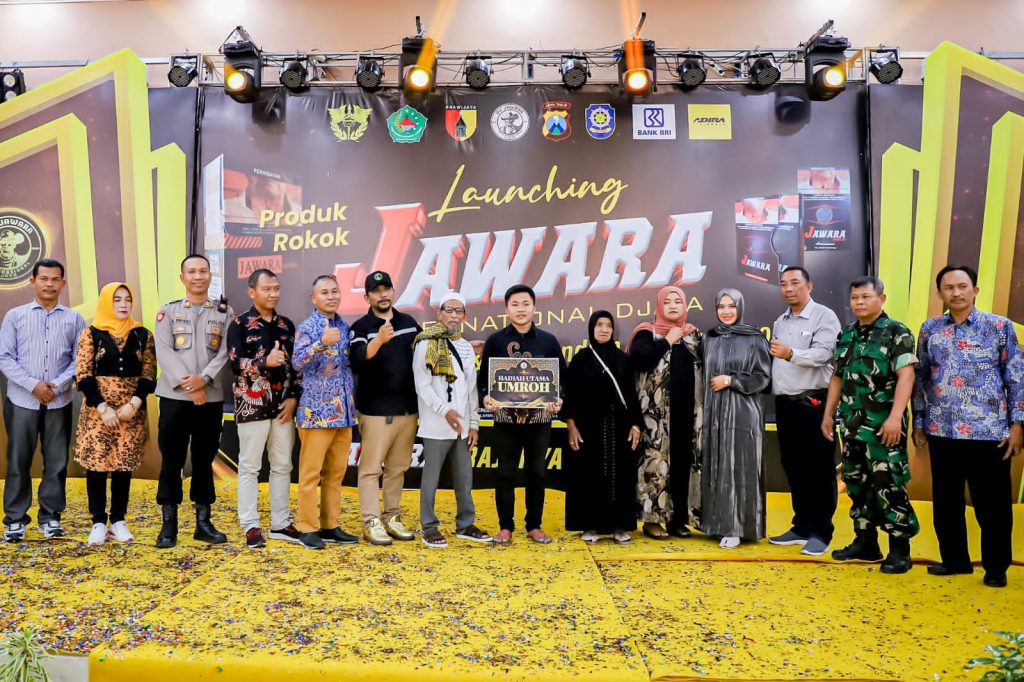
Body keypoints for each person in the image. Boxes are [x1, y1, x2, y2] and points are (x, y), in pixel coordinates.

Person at [912, 264, 1023, 589]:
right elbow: (920, 379)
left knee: (993, 505)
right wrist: (918, 421)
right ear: (940, 293)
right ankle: (955, 561)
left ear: (975, 290)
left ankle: (996, 567)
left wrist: (1018, 425)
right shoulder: (930, 329)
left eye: (962, 286)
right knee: (946, 502)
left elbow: (1017, 377)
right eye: (949, 287)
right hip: (942, 430)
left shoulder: (999, 327)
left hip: (989, 433)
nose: (956, 293)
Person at [822, 276, 919, 574]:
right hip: (852, 426)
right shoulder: (847, 334)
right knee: (856, 483)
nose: (860, 302)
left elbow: (906, 375)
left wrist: (895, 416)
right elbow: (837, 377)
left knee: (888, 485)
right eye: (855, 298)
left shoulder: (897, 332)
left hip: (883, 427)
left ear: (881, 299)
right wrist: (828, 414)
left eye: (866, 297)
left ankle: (900, 550)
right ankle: (866, 542)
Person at [0, 259, 85, 542]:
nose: (49, 284)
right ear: (33, 281)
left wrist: (56, 386)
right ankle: (15, 519)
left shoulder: (74, 319)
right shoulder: (15, 316)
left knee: (57, 463)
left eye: (55, 279)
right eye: (44, 278)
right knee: (18, 461)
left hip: (58, 402)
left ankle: (50, 518)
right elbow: (4, 357)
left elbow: (80, 360)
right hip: (21, 400)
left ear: (63, 283)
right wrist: (33, 385)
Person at [153, 254, 232, 548]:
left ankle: (203, 522)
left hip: (210, 399)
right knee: (171, 459)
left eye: (203, 271)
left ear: (210, 275)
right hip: (174, 398)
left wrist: (205, 380)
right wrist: (190, 386)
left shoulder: (224, 313)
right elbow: (163, 350)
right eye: (192, 272)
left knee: (203, 459)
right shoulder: (168, 312)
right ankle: (169, 523)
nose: (198, 276)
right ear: (182, 277)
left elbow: (225, 353)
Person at [478, 284, 567, 544]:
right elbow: (484, 380)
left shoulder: (548, 341)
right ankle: (505, 526)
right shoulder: (495, 341)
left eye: (525, 304)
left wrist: (559, 399)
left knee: (537, 473)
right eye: (515, 304)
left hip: (539, 420)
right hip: (505, 419)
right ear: (507, 309)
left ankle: (534, 525)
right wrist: (486, 398)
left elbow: (562, 379)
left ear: (534, 307)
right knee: (505, 473)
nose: (520, 309)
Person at [73, 283, 156, 546]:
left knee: (123, 465)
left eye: (127, 299)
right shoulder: (91, 333)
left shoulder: (143, 334)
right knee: (97, 465)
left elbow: (149, 374)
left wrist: (134, 403)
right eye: (116, 299)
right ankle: (98, 521)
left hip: (130, 411)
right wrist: (102, 408)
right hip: (98, 411)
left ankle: (118, 520)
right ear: (106, 303)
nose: (122, 304)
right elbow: (83, 375)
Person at [768, 266, 842, 557]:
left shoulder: (824, 316)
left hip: (813, 403)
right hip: (785, 405)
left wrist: (791, 354)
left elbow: (825, 354)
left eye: (795, 283)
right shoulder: (780, 320)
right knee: (793, 467)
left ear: (809, 286)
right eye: (783, 284)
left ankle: (821, 531)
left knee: (819, 469)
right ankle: (801, 526)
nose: (788, 288)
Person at [226, 269, 301, 549]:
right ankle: (250, 525)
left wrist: (293, 398)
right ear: (251, 291)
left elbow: (296, 366)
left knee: (282, 465)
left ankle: (281, 523)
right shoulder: (239, 324)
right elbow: (234, 363)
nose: (273, 294)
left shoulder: (287, 325)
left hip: (282, 406)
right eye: (267, 288)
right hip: (252, 403)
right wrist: (263, 362)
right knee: (249, 466)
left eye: (276, 288)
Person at [412, 292, 492, 548]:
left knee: (464, 478)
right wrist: (444, 410)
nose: (454, 315)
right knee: (431, 479)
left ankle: (465, 524)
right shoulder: (425, 343)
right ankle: (429, 527)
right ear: (439, 314)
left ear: (465, 316)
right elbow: (423, 386)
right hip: (436, 425)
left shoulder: (466, 347)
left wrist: (474, 424)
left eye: (459, 311)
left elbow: (471, 389)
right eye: (449, 310)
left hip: (462, 427)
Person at [349, 271, 421, 546]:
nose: (382, 294)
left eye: (386, 289)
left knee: (398, 468)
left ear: (393, 291)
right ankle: (371, 520)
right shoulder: (361, 326)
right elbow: (357, 361)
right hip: (376, 411)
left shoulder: (408, 322)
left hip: (408, 410)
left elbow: (428, 353)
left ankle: (392, 517)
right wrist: (378, 339)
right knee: (370, 470)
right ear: (367, 297)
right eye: (376, 291)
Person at [627, 286, 702, 540]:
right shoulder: (646, 333)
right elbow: (641, 359)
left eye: (677, 301)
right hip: (656, 417)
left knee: (682, 465)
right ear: (659, 306)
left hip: (688, 414)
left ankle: (678, 519)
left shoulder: (693, 336)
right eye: (667, 301)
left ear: (685, 306)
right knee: (656, 465)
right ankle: (652, 521)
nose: (672, 305)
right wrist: (668, 340)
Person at [291, 275, 360, 550]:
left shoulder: (344, 326)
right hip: (316, 414)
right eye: (324, 292)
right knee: (310, 475)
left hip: (344, 413)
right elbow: (297, 363)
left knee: (335, 473)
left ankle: (330, 525)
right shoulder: (307, 327)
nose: (331, 296)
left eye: (334, 291)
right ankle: (307, 528)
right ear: (313, 298)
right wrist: (321, 342)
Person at [564, 311, 643, 544]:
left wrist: (636, 424)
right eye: (599, 325)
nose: (604, 329)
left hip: (619, 426)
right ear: (592, 328)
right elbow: (571, 396)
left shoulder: (622, 359)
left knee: (620, 477)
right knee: (588, 475)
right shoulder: (581, 359)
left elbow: (632, 394)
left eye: (609, 325)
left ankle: (620, 525)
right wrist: (571, 425)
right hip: (588, 427)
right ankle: (590, 525)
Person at [701, 289, 772, 548]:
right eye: (721, 306)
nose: (726, 311)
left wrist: (731, 380)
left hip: (743, 413)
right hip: (714, 413)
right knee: (718, 465)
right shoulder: (710, 337)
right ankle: (716, 524)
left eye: (732, 306)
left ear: (740, 307)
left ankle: (737, 527)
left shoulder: (754, 337)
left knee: (739, 465)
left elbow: (764, 378)